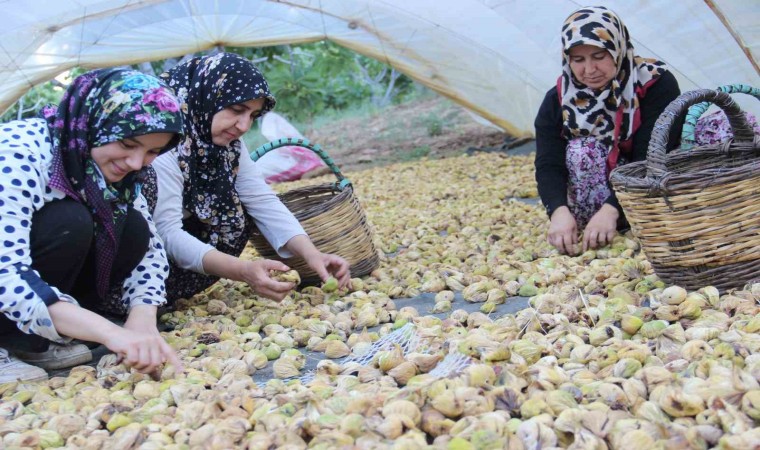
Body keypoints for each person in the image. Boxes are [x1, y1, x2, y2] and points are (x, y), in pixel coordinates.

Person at [0, 68, 184, 383]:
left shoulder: (113, 171)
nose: (136, 163)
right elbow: (6, 273)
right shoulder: (19, 156)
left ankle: (33, 339)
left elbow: (150, 250)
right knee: (69, 221)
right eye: (127, 143)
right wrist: (110, 333)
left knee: (132, 227)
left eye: (152, 151)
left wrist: (142, 318)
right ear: (97, 123)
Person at [140, 52, 350, 307]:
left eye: (252, 115)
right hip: (139, 263)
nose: (243, 125)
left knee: (242, 210)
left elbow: (261, 199)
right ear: (205, 97)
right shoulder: (163, 142)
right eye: (237, 110)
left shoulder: (229, 148)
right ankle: (141, 303)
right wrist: (242, 271)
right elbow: (167, 231)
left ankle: (173, 293)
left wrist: (312, 254)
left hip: (182, 256)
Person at [534, 6, 684, 255]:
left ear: (617, 49)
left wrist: (612, 208)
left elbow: (653, 155)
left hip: (653, 183)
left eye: (599, 56)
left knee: (716, 128)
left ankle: (627, 217)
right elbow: (548, 163)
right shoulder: (559, 99)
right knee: (583, 149)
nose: (589, 70)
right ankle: (596, 222)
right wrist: (558, 211)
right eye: (578, 60)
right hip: (597, 201)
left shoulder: (655, 83)